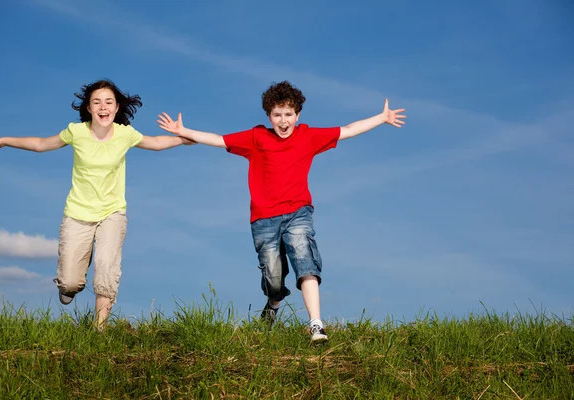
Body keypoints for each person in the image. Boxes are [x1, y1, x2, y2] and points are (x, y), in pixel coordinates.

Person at [157, 81, 406, 342]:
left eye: (289, 114)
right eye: (277, 115)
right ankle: (273, 304)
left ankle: (316, 324)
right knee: (274, 278)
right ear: (269, 116)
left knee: (304, 259)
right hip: (264, 219)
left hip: (298, 212)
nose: (283, 120)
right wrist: (184, 130)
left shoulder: (308, 136)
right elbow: (219, 140)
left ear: (298, 115)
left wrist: (382, 117)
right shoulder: (257, 137)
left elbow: (348, 130)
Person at [0, 79, 194, 330]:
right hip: (78, 213)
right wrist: (4, 140)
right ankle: (73, 279)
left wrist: (184, 137)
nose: (103, 107)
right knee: (70, 282)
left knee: (107, 268)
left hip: (112, 213)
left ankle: (99, 329)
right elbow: (41, 144)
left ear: (117, 108)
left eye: (108, 102)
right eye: (97, 102)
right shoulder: (77, 132)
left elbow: (156, 143)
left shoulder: (125, 134)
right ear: (89, 108)